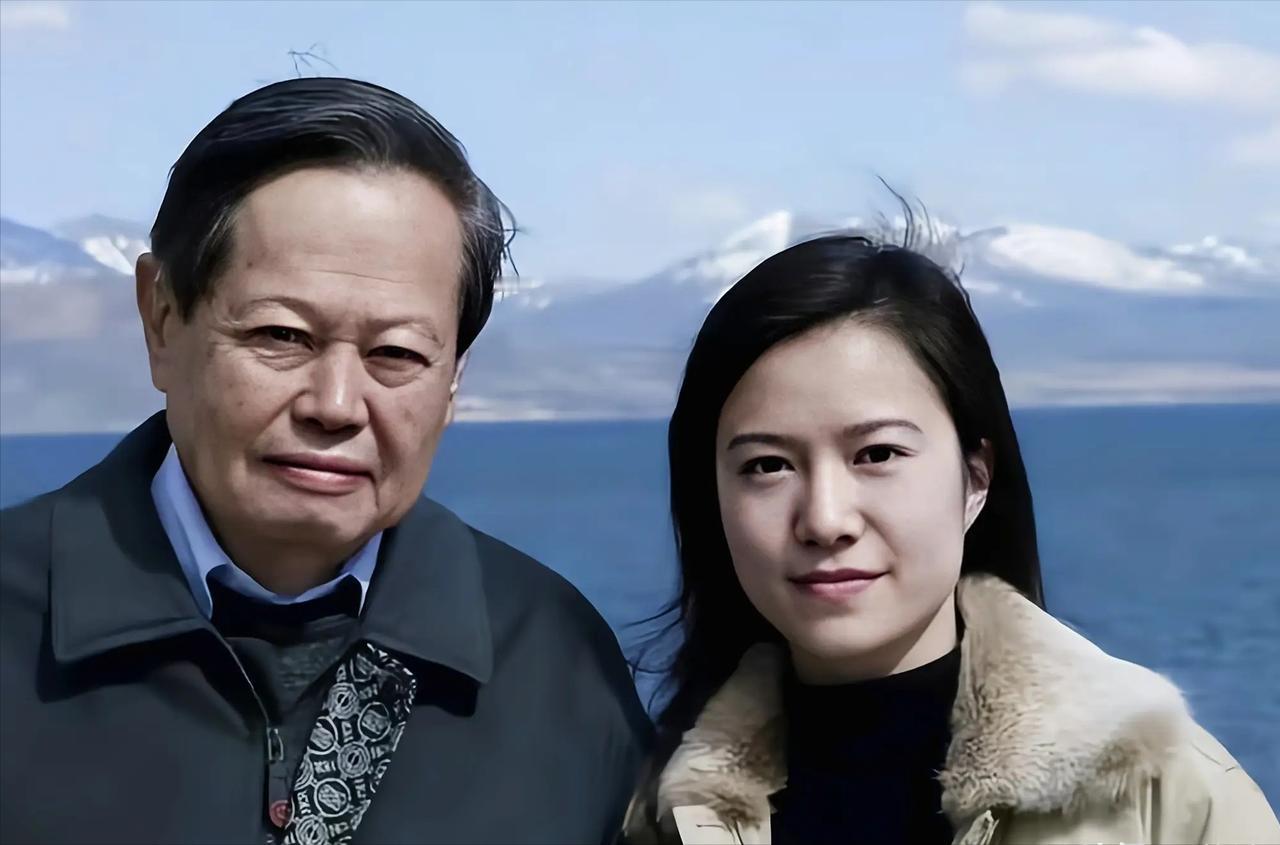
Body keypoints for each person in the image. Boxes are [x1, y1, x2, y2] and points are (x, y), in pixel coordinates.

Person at [0, 77, 649, 845]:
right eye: (281, 336)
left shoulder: (556, 663)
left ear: (454, 379)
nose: (336, 404)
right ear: (162, 319)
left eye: (396, 353)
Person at [623, 226, 1279, 844]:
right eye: (768, 466)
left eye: (877, 454)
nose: (825, 519)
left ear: (975, 478)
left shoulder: (1161, 794)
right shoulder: (667, 815)